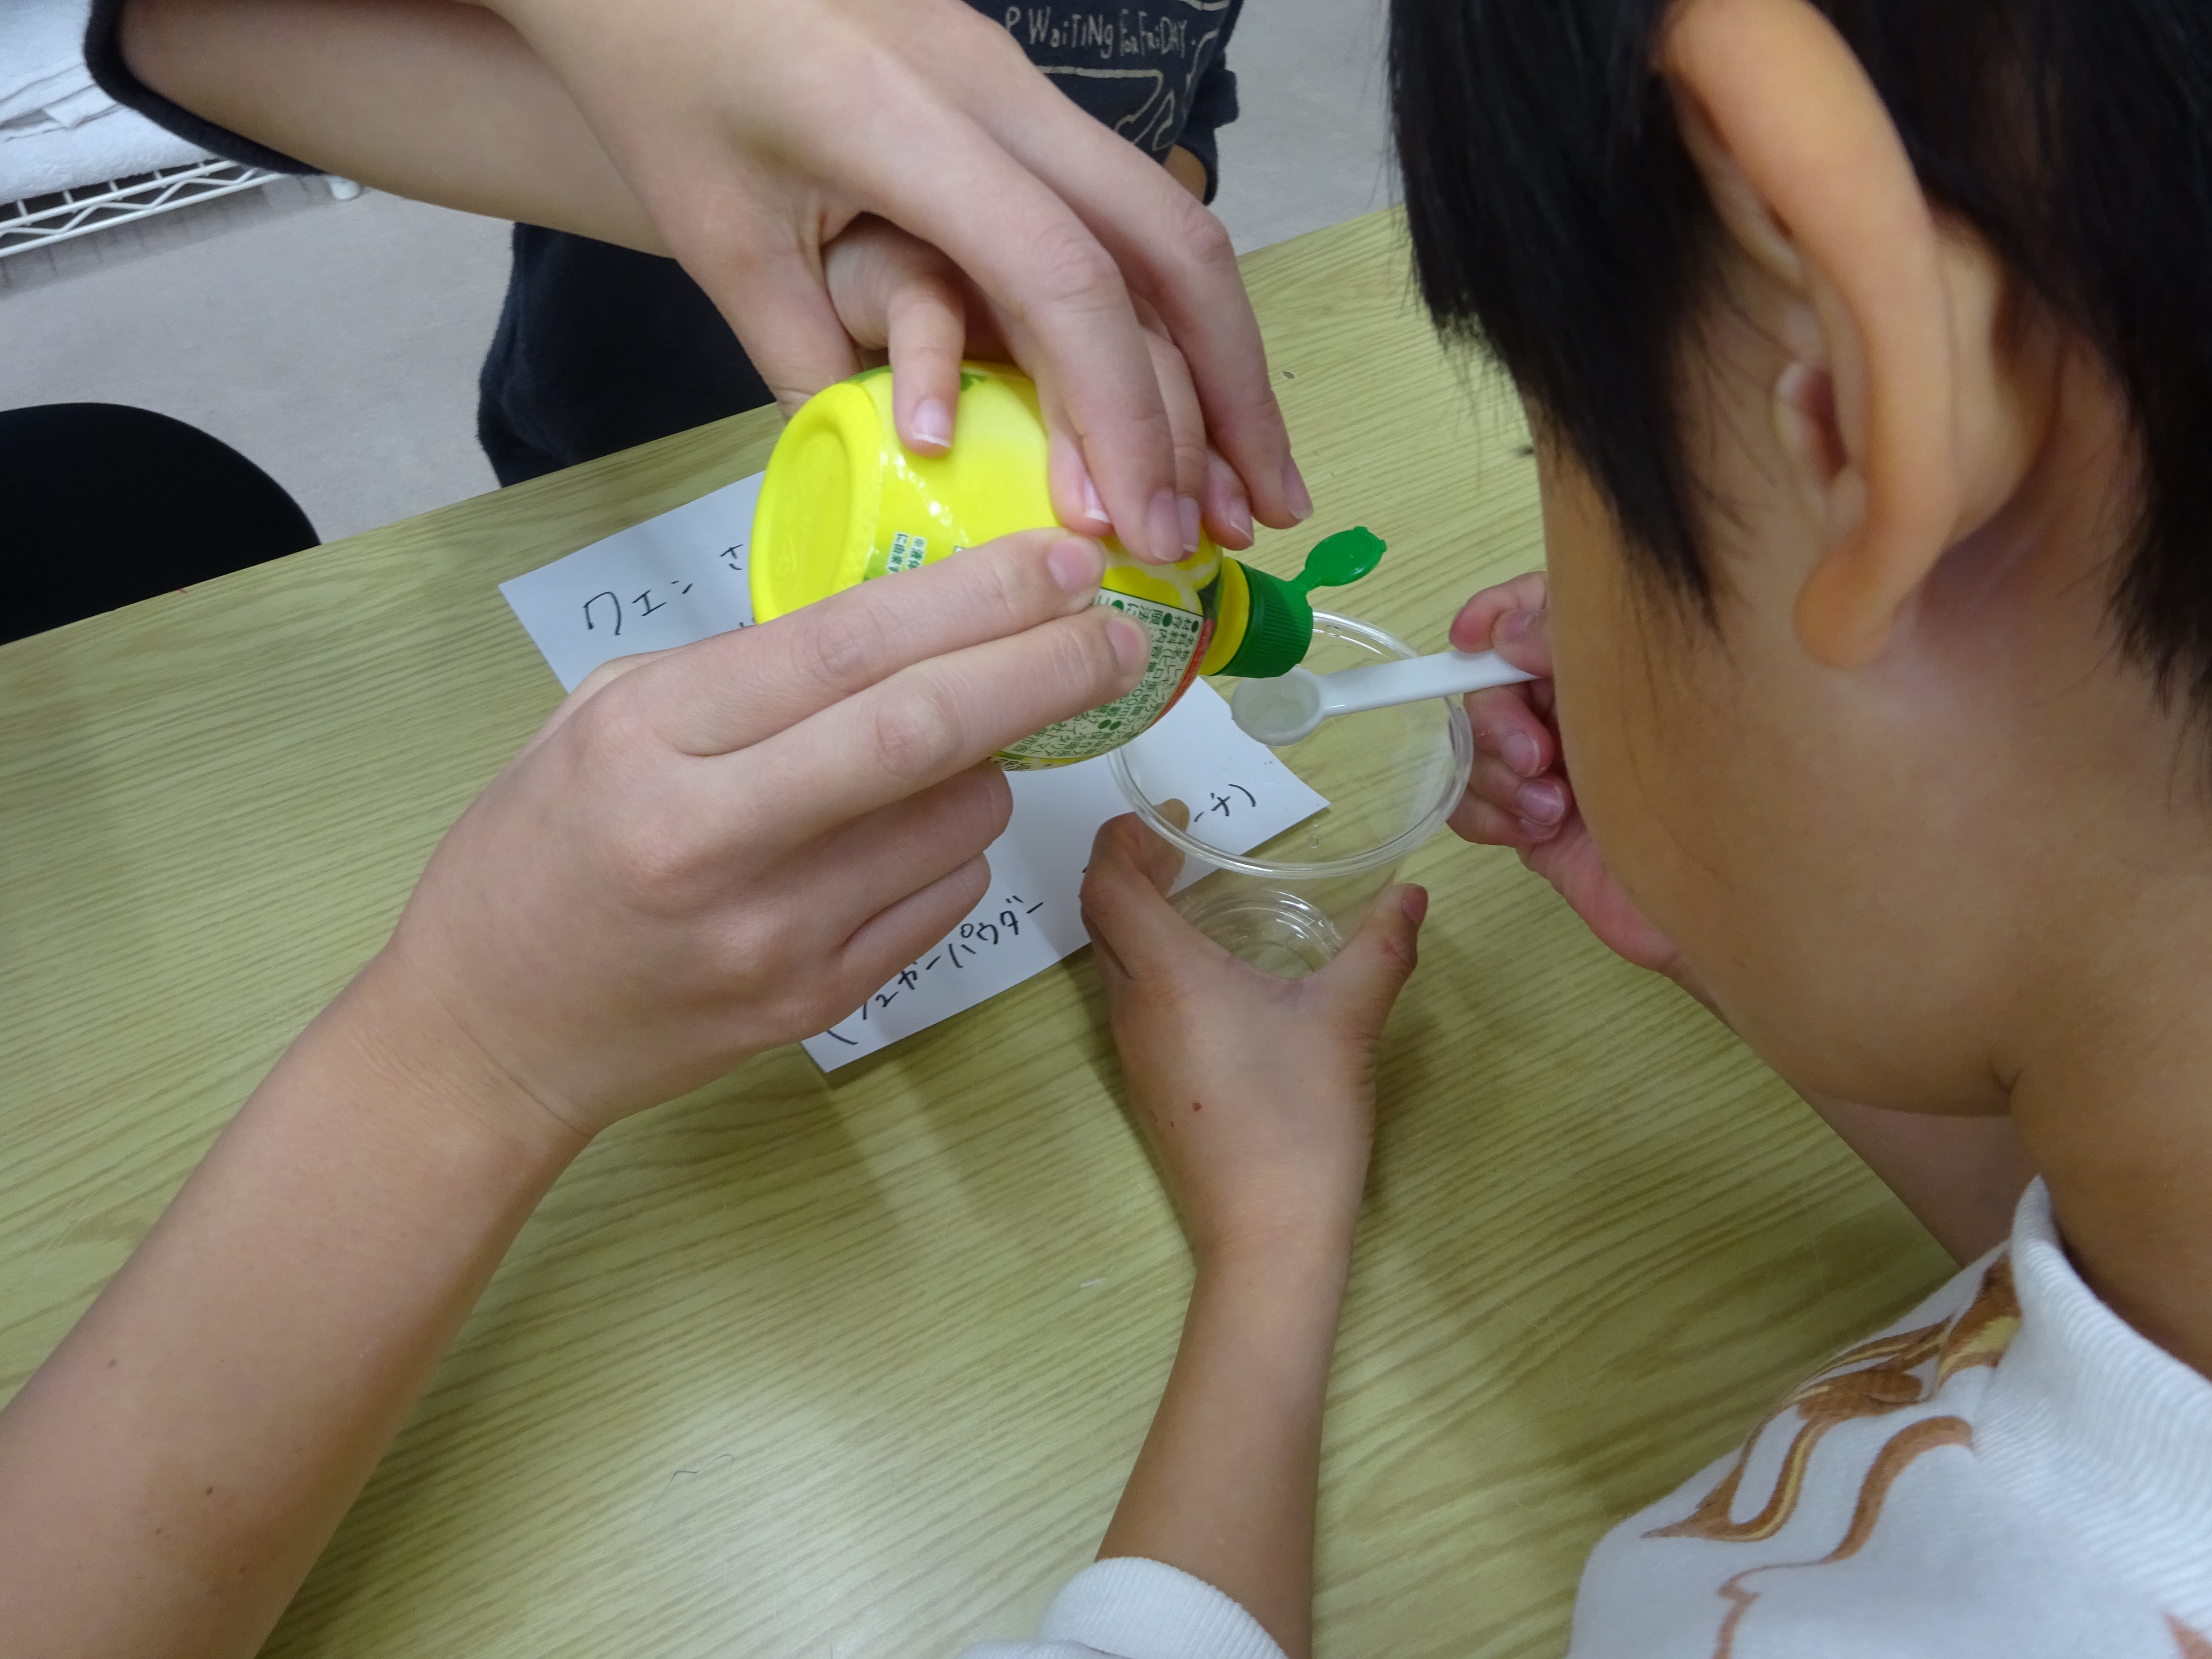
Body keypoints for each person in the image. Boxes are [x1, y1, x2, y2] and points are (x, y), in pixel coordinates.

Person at [90, 0, 1308, 563]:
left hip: (1016, 455)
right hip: (636, 453)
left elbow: (1187, 82)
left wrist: (1121, 240)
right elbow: (187, 31)